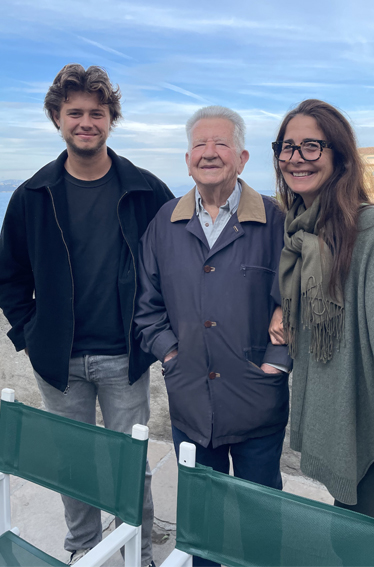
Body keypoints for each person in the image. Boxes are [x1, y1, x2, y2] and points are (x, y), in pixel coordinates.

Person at [0, 64, 173, 566]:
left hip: (123, 355)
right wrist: (33, 335)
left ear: (111, 119)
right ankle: (83, 548)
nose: (86, 121)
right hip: (59, 360)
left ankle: (135, 547)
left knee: (129, 466)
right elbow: (7, 279)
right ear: (57, 118)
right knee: (73, 463)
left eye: (97, 112)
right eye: (75, 112)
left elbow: (178, 260)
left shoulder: (145, 190)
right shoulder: (31, 195)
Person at [269, 99, 374, 551]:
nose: (296, 157)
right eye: (287, 147)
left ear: (339, 157)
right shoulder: (299, 230)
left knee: (352, 547)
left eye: (311, 146)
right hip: (338, 417)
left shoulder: (371, 226)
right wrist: (285, 311)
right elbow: (317, 301)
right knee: (350, 541)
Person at [135, 106, 291, 497]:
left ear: (241, 159)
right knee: (201, 516)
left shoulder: (277, 220)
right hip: (190, 402)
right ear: (188, 162)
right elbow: (146, 306)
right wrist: (171, 357)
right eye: (199, 145)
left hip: (257, 401)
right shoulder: (164, 222)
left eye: (221, 143)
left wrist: (277, 364)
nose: (209, 152)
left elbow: (302, 297)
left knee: (260, 514)